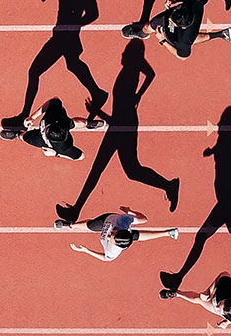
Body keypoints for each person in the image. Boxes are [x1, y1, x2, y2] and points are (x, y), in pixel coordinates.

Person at [56, 40, 181, 223]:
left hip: (123, 127)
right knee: (131, 170)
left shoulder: (128, 75)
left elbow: (117, 120)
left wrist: (97, 111)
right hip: (125, 125)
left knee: (101, 169)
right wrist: (139, 95)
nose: (122, 55)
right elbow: (151, 74)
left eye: (125, 53)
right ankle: (168, 185)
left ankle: (75, 211)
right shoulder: (132, 70)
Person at [160, 105, 231, 291]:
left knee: (202, 236)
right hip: (226, 195)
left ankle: (179, 278)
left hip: (228, 196)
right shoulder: (224, 143)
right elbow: (225, 154)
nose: (220, 125)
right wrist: (212, 151)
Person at [3, 0, 110, 133]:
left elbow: (94, 12)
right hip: (64, 34)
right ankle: (98, 92)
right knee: (73, 64)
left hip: (64, 35)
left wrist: (73, 26)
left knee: (35, 71)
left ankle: (24, 117)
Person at [122, 0, 231, 60]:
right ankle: (142, 34)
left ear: (181, 26)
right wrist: (176, 0)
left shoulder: (183, 40)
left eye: (172, 20)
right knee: (147, 26)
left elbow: (182, 56)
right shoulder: (195, 3)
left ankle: (220, 34)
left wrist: (163, 40)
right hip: (185, 29)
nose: (169, 18)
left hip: (177, 37)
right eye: (172, 16)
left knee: (189, 41)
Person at [159, 271, 231, 328]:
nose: (218, 306)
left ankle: (177, 294)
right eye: (221, 304)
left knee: (199, 300)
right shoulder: (225, 289)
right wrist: (208, 291)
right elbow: (224, 274)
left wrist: (228, 322)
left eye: (220, 308)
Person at [59, 206, 178, 262]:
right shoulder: (122, 221)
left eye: (111, 237)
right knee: (89, 225)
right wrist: (131, 212)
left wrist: (86, 251)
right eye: (114, 233)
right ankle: (71, 225)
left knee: (137, 236)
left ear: (116, 244)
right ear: (122, 230)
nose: (110, 234)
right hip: (107, 219)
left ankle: (168, 233)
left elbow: (105, 258)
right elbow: (143, 219)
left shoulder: (113, 251)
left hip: (120, 234)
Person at [0, 97, 91, 160]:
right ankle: (89, 123)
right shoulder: (55, 116)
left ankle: (17, 135)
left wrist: (55, 154)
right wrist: (32, 117)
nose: (43, 130)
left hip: (41, 141)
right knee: (74, 123)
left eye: (45, 131)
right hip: (62, 123)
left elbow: (81, 157)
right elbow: (54, 101)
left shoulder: (64, 148)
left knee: (24, 137)